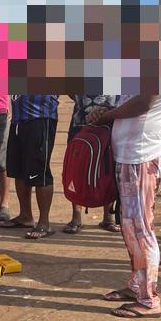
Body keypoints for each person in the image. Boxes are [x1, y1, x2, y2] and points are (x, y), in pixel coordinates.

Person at [88, 95, 161, 318]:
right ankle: (138, 286)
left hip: (142, 156)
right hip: (131, 155)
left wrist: (106, 116)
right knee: (130, 229)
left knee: (141, 230)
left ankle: (149, 300)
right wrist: (108, 110)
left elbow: (143, 103)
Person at [0, 94, 60, 239]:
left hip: (40, 117)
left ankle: (44, 222)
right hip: (18, 119)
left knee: (40, 171)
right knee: (19, 171)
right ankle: (25, 216)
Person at [64, 95, 119, 234]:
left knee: (108, 168)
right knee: (76, 169)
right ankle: (76, 217)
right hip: (81, 120)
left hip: (110, 121)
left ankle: (108, 217)